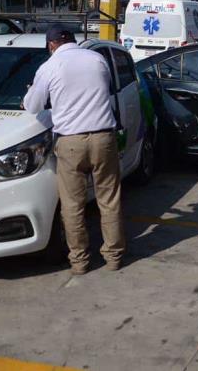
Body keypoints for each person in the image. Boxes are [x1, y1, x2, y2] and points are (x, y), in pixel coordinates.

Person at [23, 25, 123, 275]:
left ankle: (79, 261)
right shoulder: (97, 58)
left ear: (51, 45)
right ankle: (114, 257)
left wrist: (29, 92)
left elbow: (33, 106)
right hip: (103, 138)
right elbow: (105, 89)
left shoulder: (50, 65)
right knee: (109, 200)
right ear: (73, 40)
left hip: (71, 142)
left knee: (73, 205)